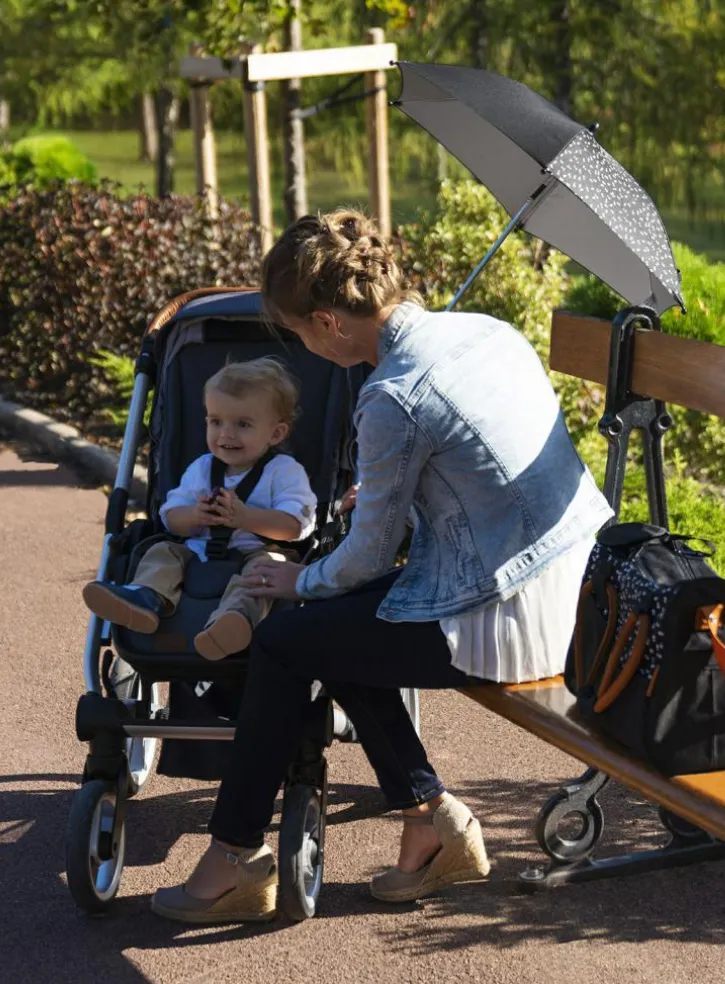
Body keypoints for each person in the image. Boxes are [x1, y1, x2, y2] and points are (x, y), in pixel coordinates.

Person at [150, 209, 614, 925]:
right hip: (572, 581)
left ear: (330, 323)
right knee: (331, 633)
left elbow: (365, 556)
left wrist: (298, 578)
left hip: (506, 615)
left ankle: (234, 858)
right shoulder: (488, 331)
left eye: (299, 331)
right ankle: (429, 822)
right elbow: (488, 475)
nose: (303, 345)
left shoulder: (392, 394)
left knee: (287, 637)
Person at [82, 357, 318, 660]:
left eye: (243, 424)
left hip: (257, 551)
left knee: (264, 572)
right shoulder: (202, 468)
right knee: (162, 551)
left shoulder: (284, 471)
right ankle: (147, 598)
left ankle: (232, 622)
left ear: (275, 434)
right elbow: (170, 516)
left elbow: (295, 525)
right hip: (197, 552)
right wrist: (193, 516)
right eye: (216, 422)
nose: (226, 435)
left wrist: (246, 517)